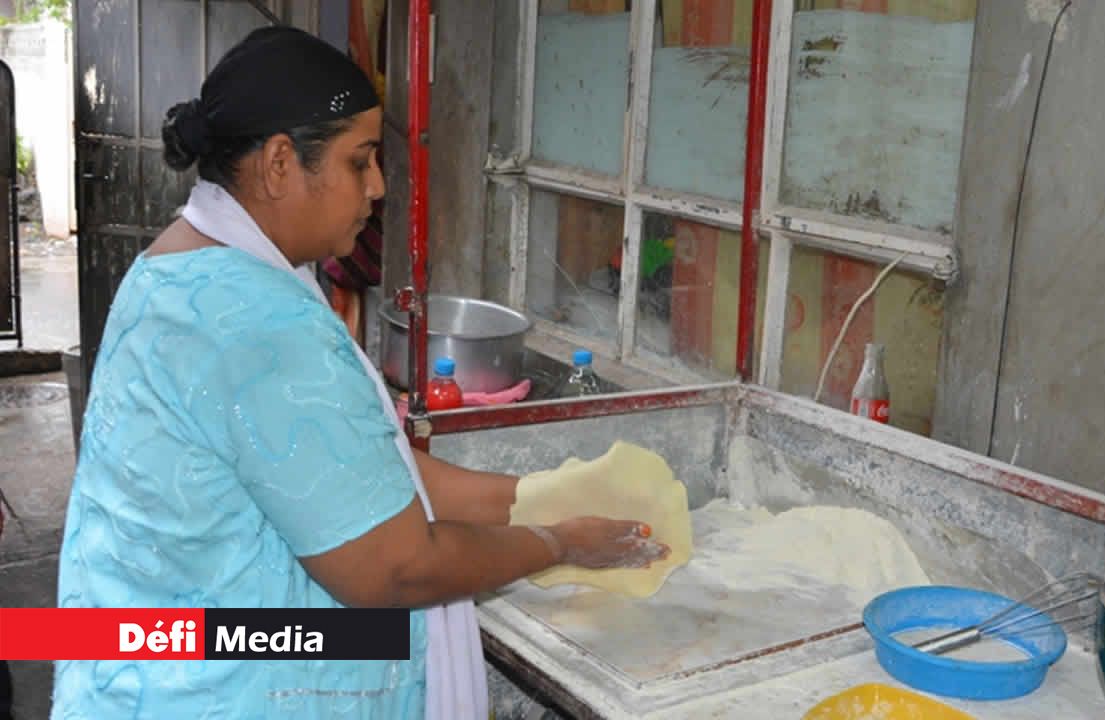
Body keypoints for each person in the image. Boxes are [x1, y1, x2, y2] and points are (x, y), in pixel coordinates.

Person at [51, 26, 667, 720]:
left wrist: (545, 494)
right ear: (279, 164)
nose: (376, 187)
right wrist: (556, 543)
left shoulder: (180, 265)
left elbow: (364, 476)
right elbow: (395, 566)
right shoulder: (259, 319)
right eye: (359, 161)